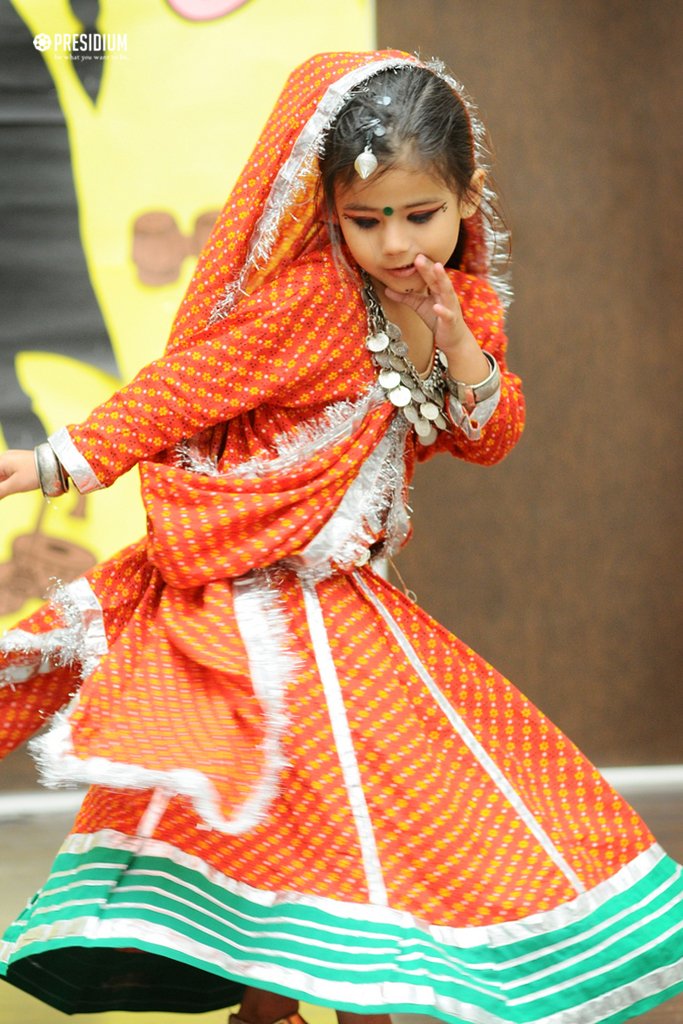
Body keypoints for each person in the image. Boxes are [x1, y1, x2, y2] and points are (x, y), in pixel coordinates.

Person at [0, 49, 681, 1024]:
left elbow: (486, 435)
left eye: (420, 215)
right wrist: (58, 460)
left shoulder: (466, 303)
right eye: (367, 221)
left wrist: (453, 340)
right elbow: (185, 387)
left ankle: (351, 999)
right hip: (254, 598)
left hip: (351, 603)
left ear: (462, 198)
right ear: (330, 212)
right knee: (278, 813)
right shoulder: (310, 300)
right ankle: (272, 1008)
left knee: (402, 813)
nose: (398, 242)